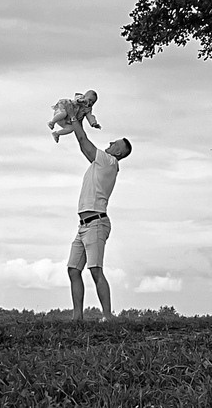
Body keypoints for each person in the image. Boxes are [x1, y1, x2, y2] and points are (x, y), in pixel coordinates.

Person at [65, 123, 132, 320]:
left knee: (95, 270)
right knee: (73, 269)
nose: (110, 143)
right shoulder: (100, 163)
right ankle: (77, 317)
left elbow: (83, 140)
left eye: (114, 143)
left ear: (118, 151)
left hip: (96, 222)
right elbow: (83, 145)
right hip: (85, 225)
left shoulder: (108, 161)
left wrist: (75, 119)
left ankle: (107, 316)